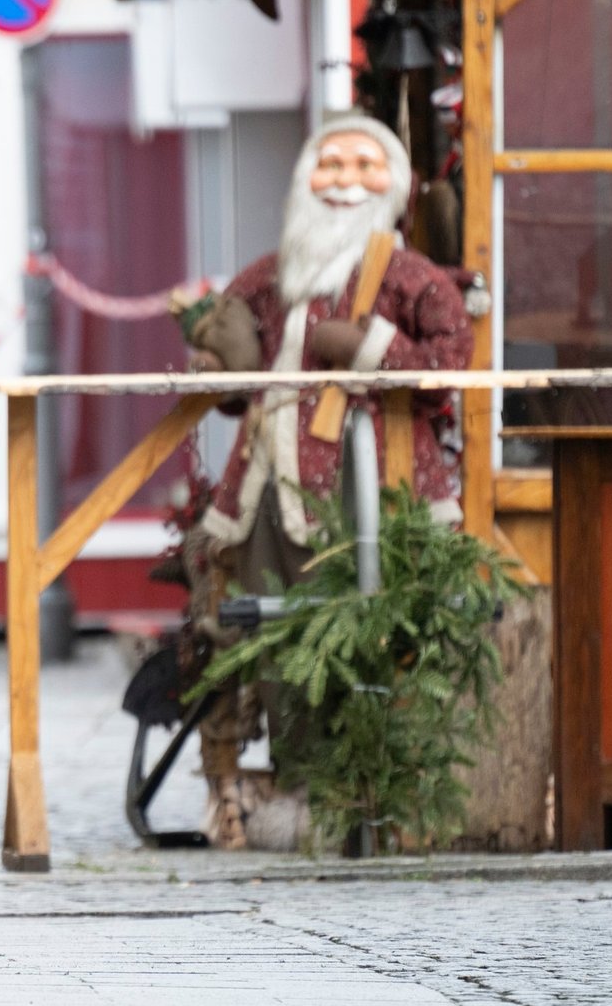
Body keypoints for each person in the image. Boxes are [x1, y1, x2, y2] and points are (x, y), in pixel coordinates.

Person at [176, 114, 474, 848]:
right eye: (329, 164)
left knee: (375, 635)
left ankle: (386, 792)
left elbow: (452, 362)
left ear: (395, 184)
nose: (343, 181)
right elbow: (225, 349)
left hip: (375, 488)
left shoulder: (410, 277)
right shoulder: (276, 273)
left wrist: (371, 346)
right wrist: (217, 359)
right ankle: (306, 789)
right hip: (270, 490)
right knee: (279, 642)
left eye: (363, 166)